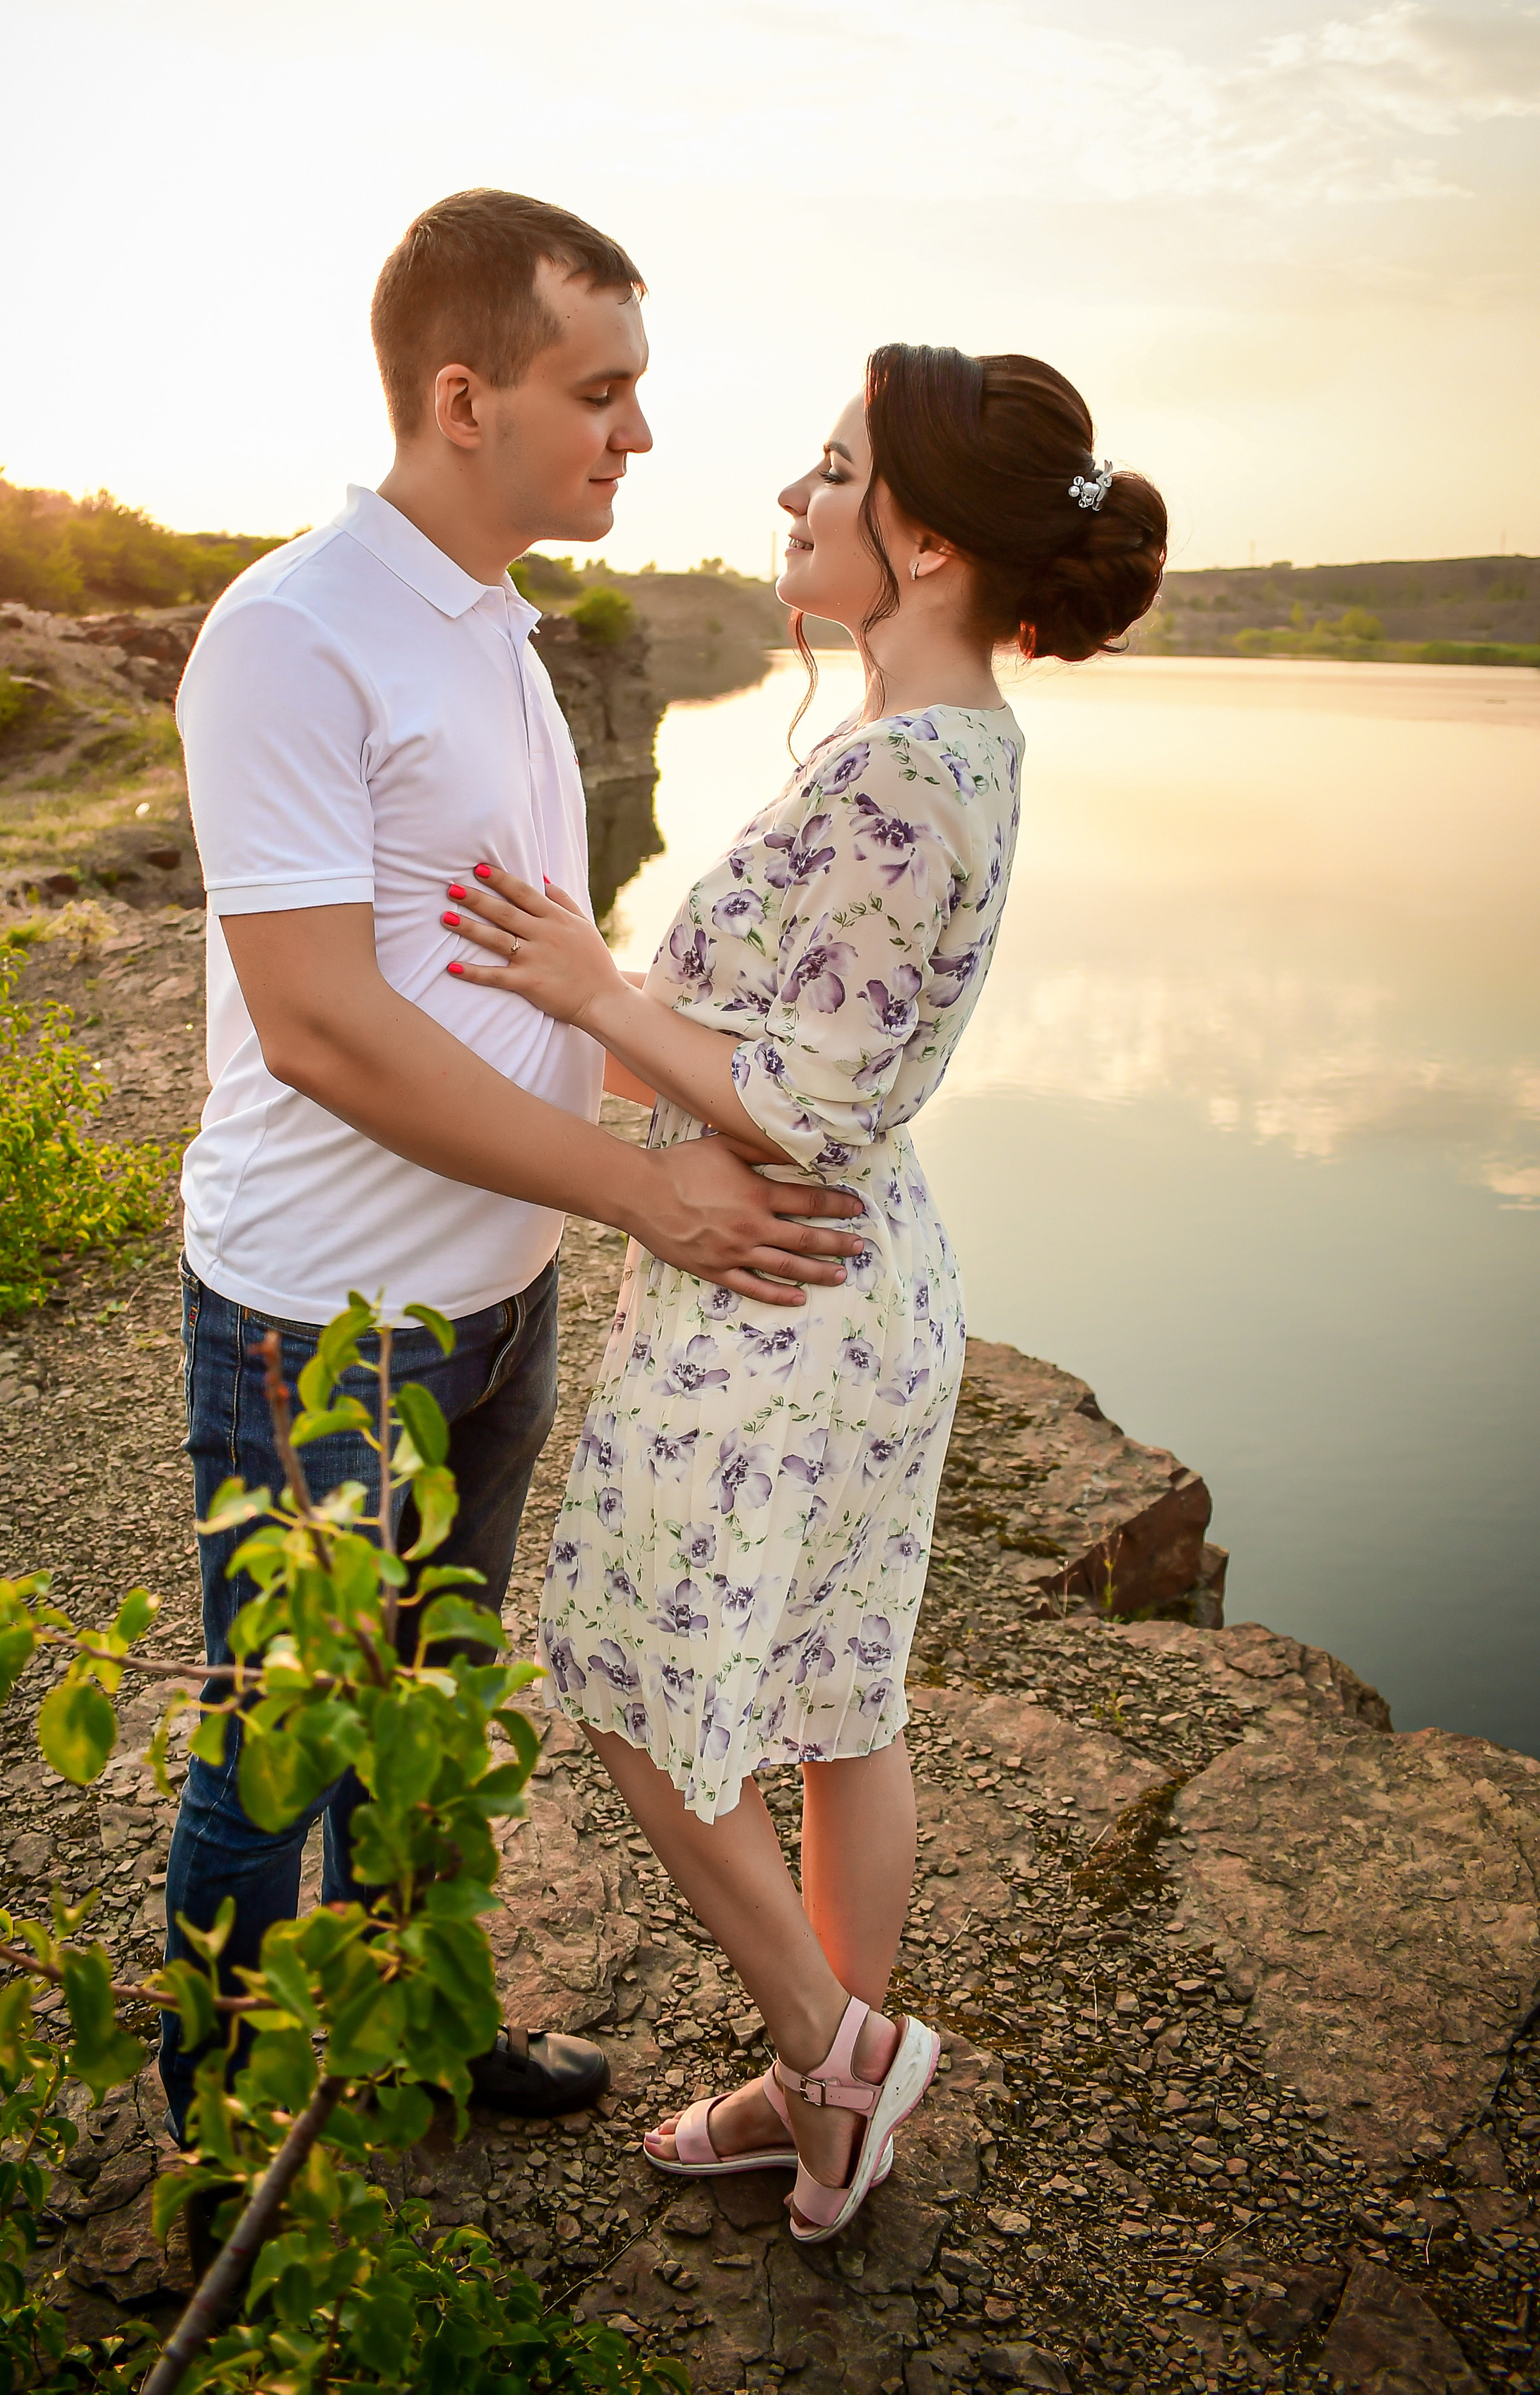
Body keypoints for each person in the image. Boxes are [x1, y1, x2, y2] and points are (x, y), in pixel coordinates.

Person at [439, 343, 1167, 2238]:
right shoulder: (949, 741)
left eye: (829, 472)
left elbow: (812, 1100)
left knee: (625, 1675)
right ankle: (823, 2103)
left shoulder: (908, 773)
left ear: (921, 542)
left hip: (786, 1283)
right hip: (853, 1280)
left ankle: (833, 2049)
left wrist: (594, 995)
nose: (789, 498)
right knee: (842, 1704)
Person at [160, 189, 867, 2138]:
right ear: (463, 398)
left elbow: (525, 972)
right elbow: (317, 1022)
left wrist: (710, 1109)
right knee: (276, 1753)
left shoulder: (496, 627)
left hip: (496, 1297)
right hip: (323, 1316)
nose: (638, 432)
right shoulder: (293, 635)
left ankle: (417, 2043)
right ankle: (221, 2145)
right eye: (603, 390)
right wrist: (643, 1189)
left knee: (437, 1711)